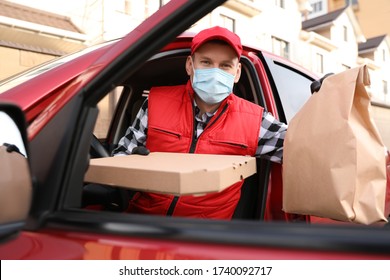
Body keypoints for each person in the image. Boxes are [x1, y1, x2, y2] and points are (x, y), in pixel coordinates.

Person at [112, 26, 288, 219]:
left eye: (225, 66)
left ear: (237, 73)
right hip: (143, 223)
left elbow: (305, 152)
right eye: (206, 62)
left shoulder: (256, 121)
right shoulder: (156, 102)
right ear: (190, 65)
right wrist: (134, 164)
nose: (215, 73)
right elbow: (119, 157)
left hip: (203, 237)